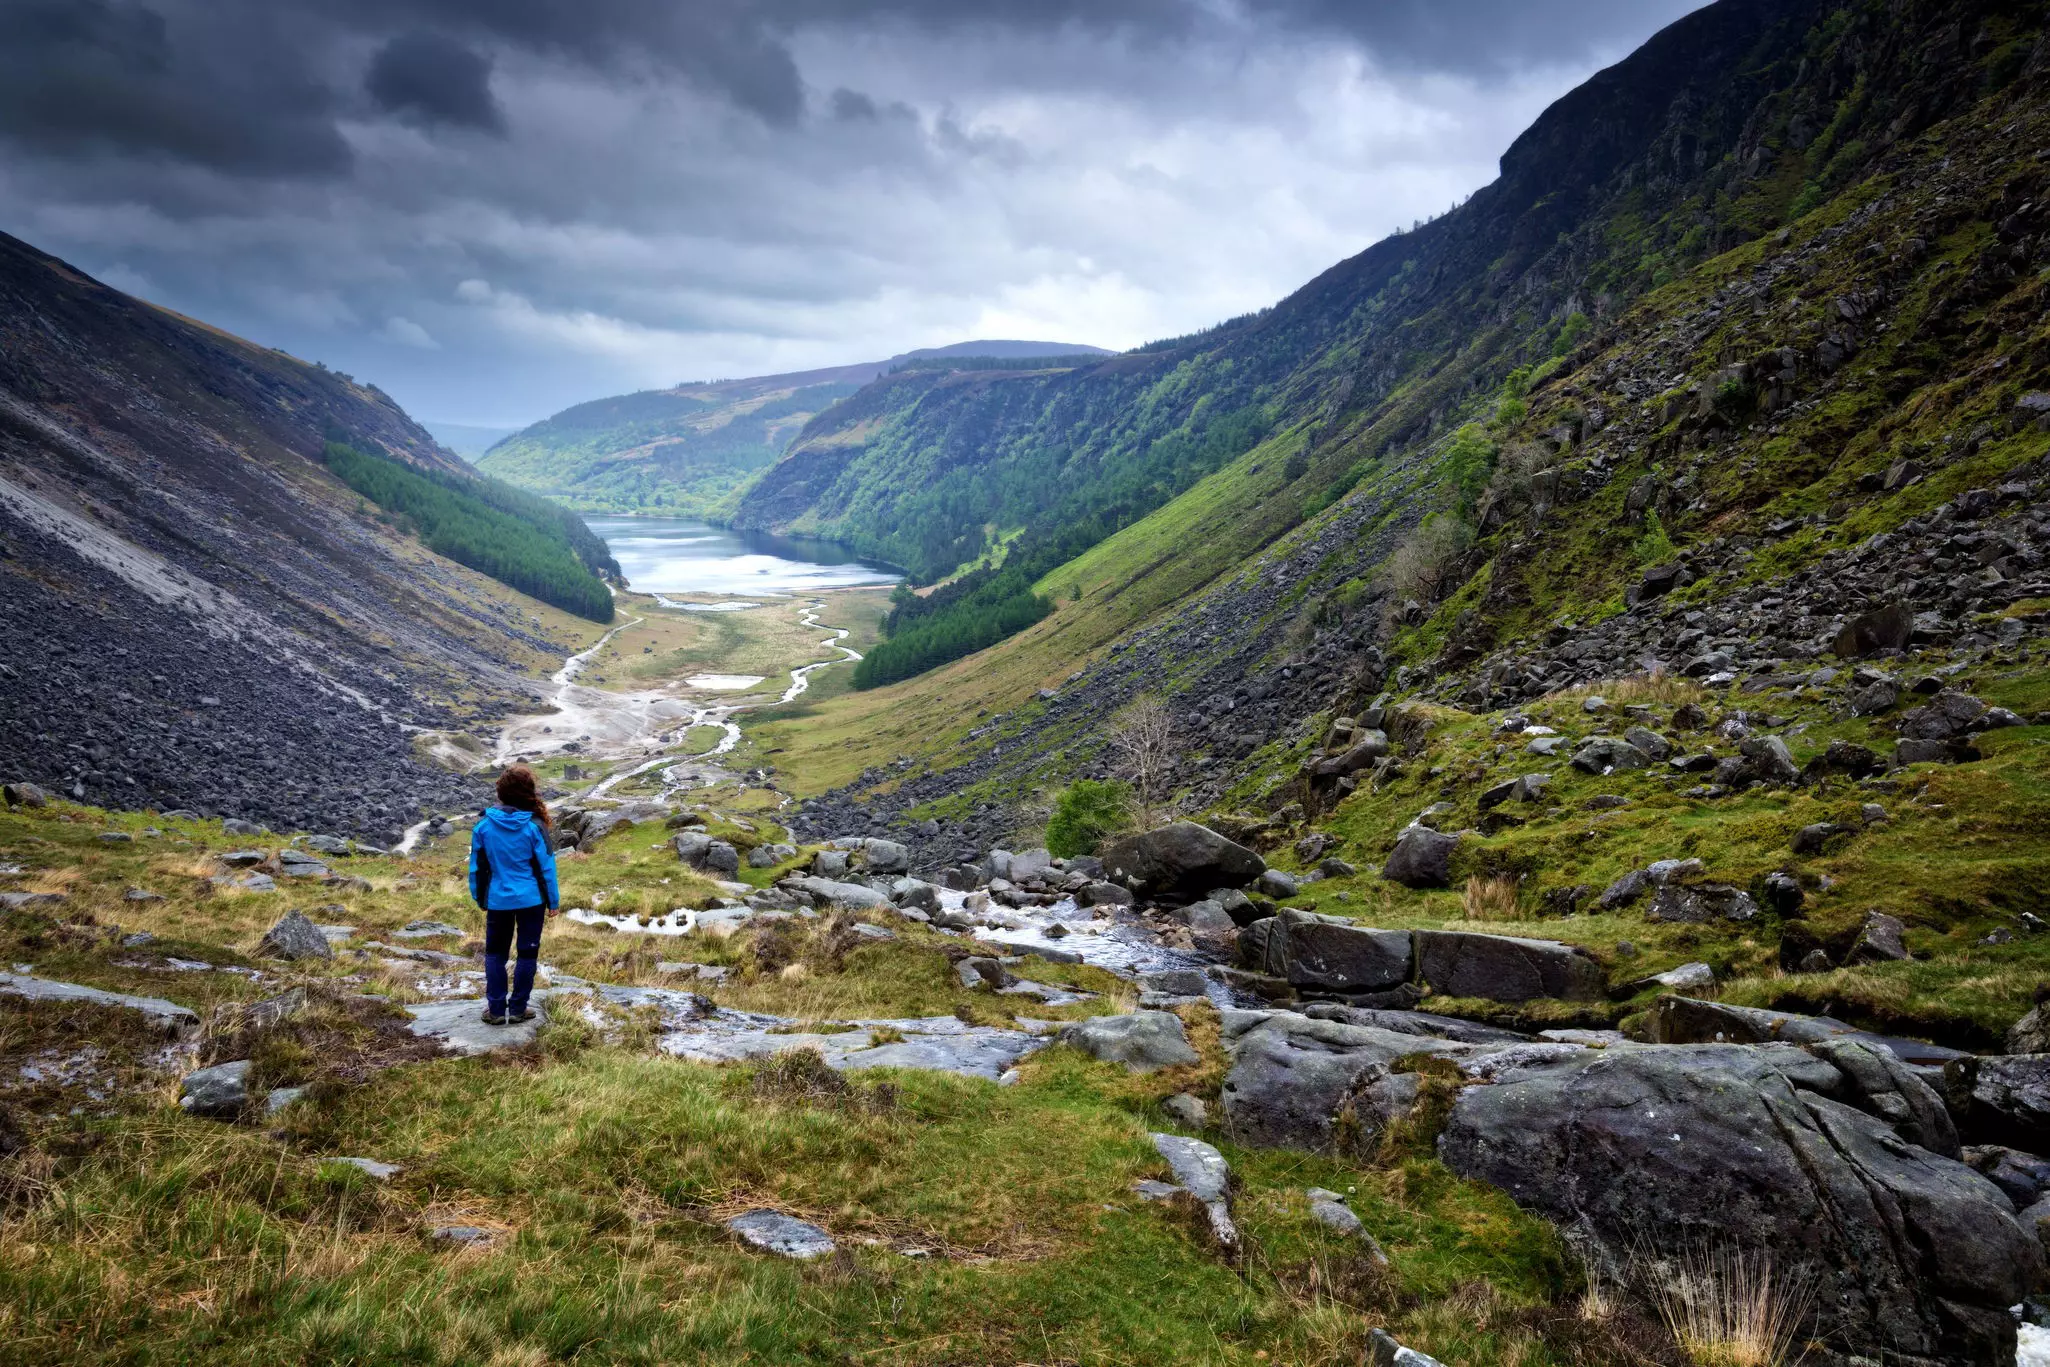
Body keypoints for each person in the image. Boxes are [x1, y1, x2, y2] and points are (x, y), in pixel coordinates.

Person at [468, 765, 560, 1025]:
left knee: (495, 954)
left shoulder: (483, 826)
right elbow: (547, 868)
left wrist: (480, 897)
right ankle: (519, 1009)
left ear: (502, 793)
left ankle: (496, 1011)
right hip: (532, 900)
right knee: (527, 954)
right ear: (528, 793)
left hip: (498, 900)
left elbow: (477, 868)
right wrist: (553, 902)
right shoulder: (535, 826)